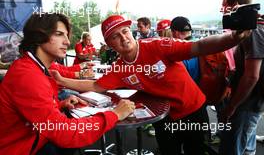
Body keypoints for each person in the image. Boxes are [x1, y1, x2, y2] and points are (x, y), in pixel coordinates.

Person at [52, 14, 250, 155]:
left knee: (195, 151)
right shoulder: (121, 67)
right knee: (168, 151)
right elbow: (96, 86)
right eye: (115, 36)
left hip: (192, 109)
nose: (123, 37)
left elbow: (199, 46)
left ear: (131, 32)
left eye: (125, 31)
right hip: (163, 116)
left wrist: (232, 38)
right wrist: (61, 80)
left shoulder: (158, 45)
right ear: (109, 44)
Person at [0, 13, 135, 155]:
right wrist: (114, 114)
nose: (67, 42)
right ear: (38, 37)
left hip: (33, 139)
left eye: (66, 35)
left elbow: (33, 110)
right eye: (59, 34)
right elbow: (64, 132)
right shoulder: (28, 75)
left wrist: (59, 104)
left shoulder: (34, 67)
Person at [219, 0, 264, 155]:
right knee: (247, 144)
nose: (222, 11)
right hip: (248, 101)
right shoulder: (250, 28)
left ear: (235, 5)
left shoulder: (254, 30)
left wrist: (231, 107)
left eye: (224, 6)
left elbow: (252, 76)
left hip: (247, 104)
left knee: (233, 147)